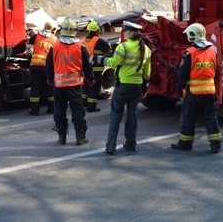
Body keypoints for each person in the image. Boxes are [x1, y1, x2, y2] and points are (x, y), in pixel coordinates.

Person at [94, 21, 151, 155]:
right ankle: (131, 144)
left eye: (125, 31)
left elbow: (113, 63)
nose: (124, 33)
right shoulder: (146, 49)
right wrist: (144, 87)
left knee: (115, 116)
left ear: (131, 32)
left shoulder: (123, 47)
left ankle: (110, 146)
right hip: (136, 87)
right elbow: (147, 72)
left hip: (123, 86)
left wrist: (98, 59)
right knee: (133, 116)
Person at [171, 22, 222, 154]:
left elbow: (182, 74)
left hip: (194, 93)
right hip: (210, 92)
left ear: (192, 36)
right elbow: (216, 72)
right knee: (211, 117)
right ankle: (216, 144)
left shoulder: (189, 53)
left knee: (188, 117)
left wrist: (179, 90)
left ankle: (185, 143)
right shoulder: (212, 52)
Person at [46, 17, 94, 145]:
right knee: (77, 111)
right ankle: (80, 137)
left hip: (59, 86)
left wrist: (49, 78)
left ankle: (62, 137)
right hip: (75, 86)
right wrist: (90, 78)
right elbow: (87, 65)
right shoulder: (80, 47)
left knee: (59, 111)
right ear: (75, 32)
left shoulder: (54, 46)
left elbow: (49, 65)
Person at [28, 20, 59, 116]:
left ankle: (34, 111)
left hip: (35, 67)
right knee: (50, 89)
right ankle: (52, 109)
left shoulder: (37, 36)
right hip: (46, 67)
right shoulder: (54, 39)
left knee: (35, 89)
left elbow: (29, 41)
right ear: (53, 29)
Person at [82, 20, 111, 112]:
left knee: (85, 87)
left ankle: (84, 105)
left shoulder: (83, 41)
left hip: (85, 69)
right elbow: (108, 49)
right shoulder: (98, 41)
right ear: (96, 31)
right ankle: (91, 107)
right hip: (96, 69)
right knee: (94, 88)